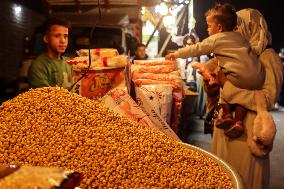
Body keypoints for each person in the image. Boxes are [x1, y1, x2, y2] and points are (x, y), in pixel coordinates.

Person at [207, 8, 283, 189]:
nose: (234, 34)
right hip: (224, 127)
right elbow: (216, 84)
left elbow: (268, 98)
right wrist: (211, 86)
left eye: (238, 28)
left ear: (251, 28)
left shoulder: (268, 57)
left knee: (244, 180)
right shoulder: (233, 54)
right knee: (221, 176)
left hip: (248, 133)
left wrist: (228, 88)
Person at [165, 3, 265, 138]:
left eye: (209, 26)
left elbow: (196, 48)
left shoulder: (216, 39)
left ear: (219, 27)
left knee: (221, 75)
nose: (207, 29)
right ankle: (238, 122)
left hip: (239, 76)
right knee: (243, 91)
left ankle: (227, 113)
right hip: (257, 76)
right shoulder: (241, 38)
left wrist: (176, 54)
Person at [28, 17, 72, 89]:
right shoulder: (39, 66)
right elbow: (44, 97)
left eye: (65, 36)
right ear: (46, 38)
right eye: (57, 36)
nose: (63, 41)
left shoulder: (69, 63)